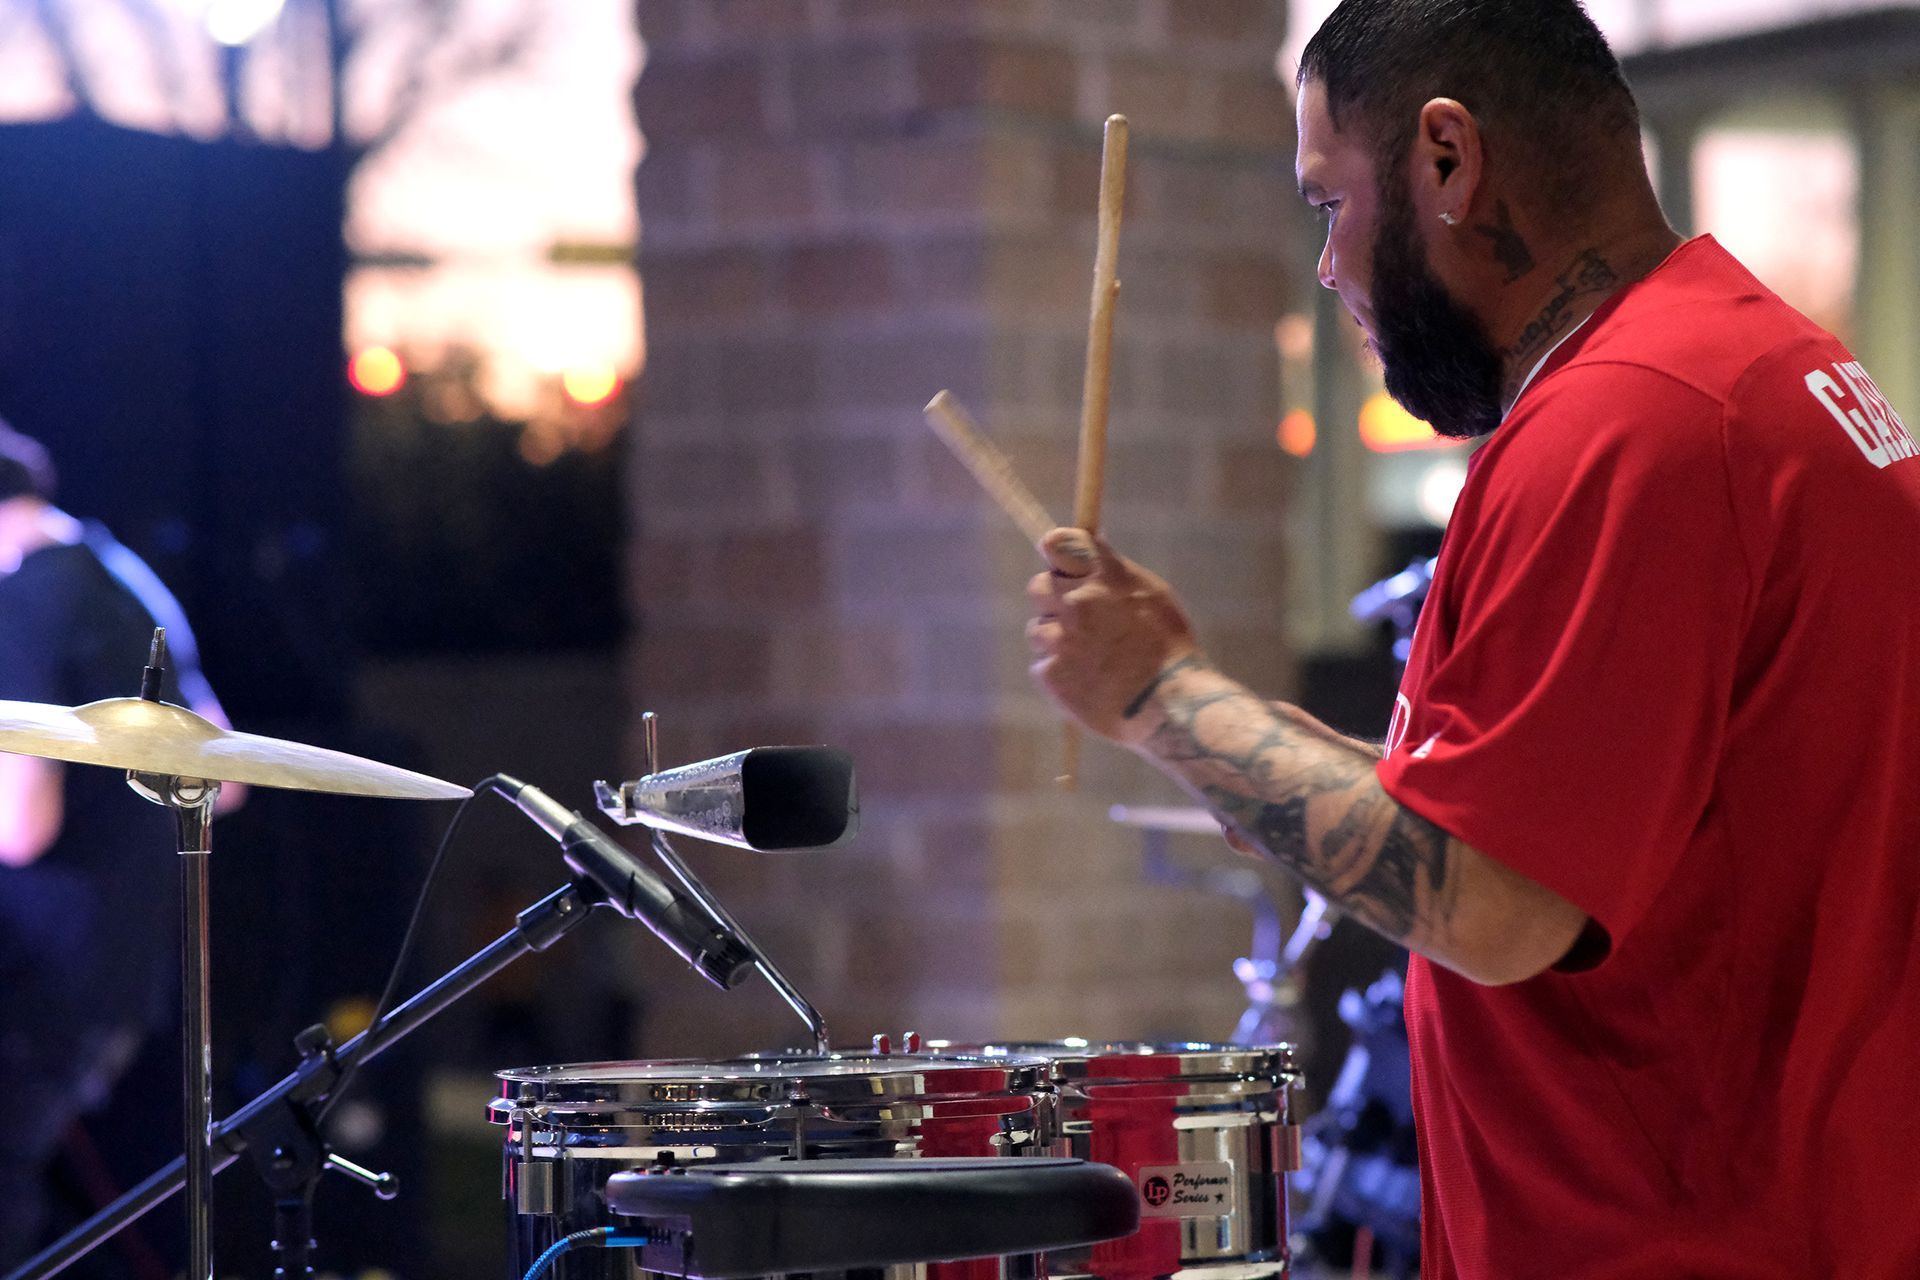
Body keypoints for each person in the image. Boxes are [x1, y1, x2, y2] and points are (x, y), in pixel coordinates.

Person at [1024, 1, 1920, 1274]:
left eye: (1329, 204)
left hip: (1684, 1235)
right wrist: (1268, 755)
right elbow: (1621, 806)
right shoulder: (1763, 368)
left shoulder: (1624, 422)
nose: (1329, 268)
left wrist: (1161, 698)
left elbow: (1497, 901)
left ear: (1446, 159)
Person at [0, 423, 240, 1266]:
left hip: (42, 973)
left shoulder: (24, 597)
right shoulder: (128, 579)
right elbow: (227, 775)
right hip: (125, 965)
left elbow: (20, 828)